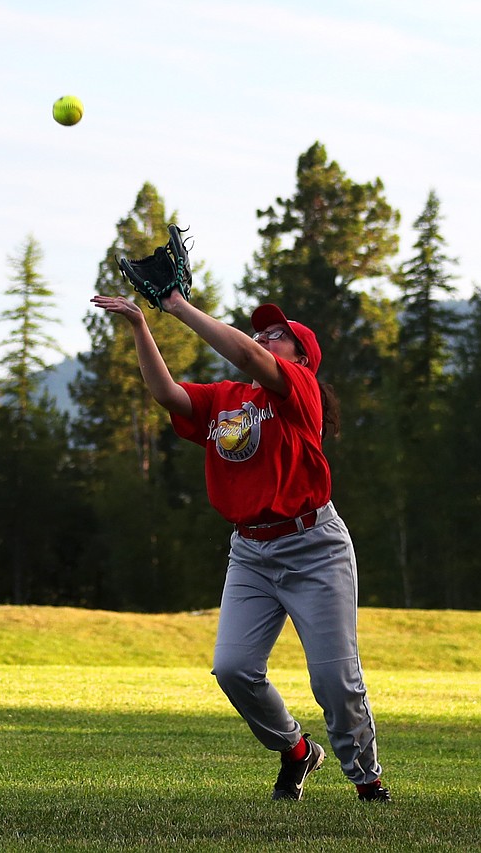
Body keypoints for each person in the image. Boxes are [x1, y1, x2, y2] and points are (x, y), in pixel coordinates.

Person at [90, 282, 390, 803]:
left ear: (301, 358)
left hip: (313, 546)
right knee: (232, 668)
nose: (264, 337)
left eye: (279, 335)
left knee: (334, 681)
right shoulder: (226, 399)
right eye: (263, 332)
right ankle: (296, 751)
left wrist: (178, 306)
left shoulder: (299, 390)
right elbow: (167, 395)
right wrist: (142, 325)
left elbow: (246, 353)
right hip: (251, 551)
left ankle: (366, 779)